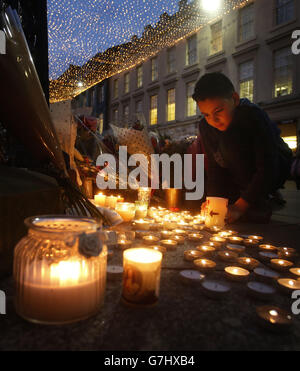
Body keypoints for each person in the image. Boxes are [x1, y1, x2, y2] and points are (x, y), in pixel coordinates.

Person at [192, 72, 293, 224]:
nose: (214, 120)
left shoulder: (252, 116)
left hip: (274, 166)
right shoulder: (206, 126)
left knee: (229, 147)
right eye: (206, 114)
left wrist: (240, 206)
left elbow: (268, 166)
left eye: (218, 111)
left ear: (235, 99)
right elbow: (215, 167)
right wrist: (213, 201)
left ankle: (261, 199)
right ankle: (248, 198)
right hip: (237, 170)